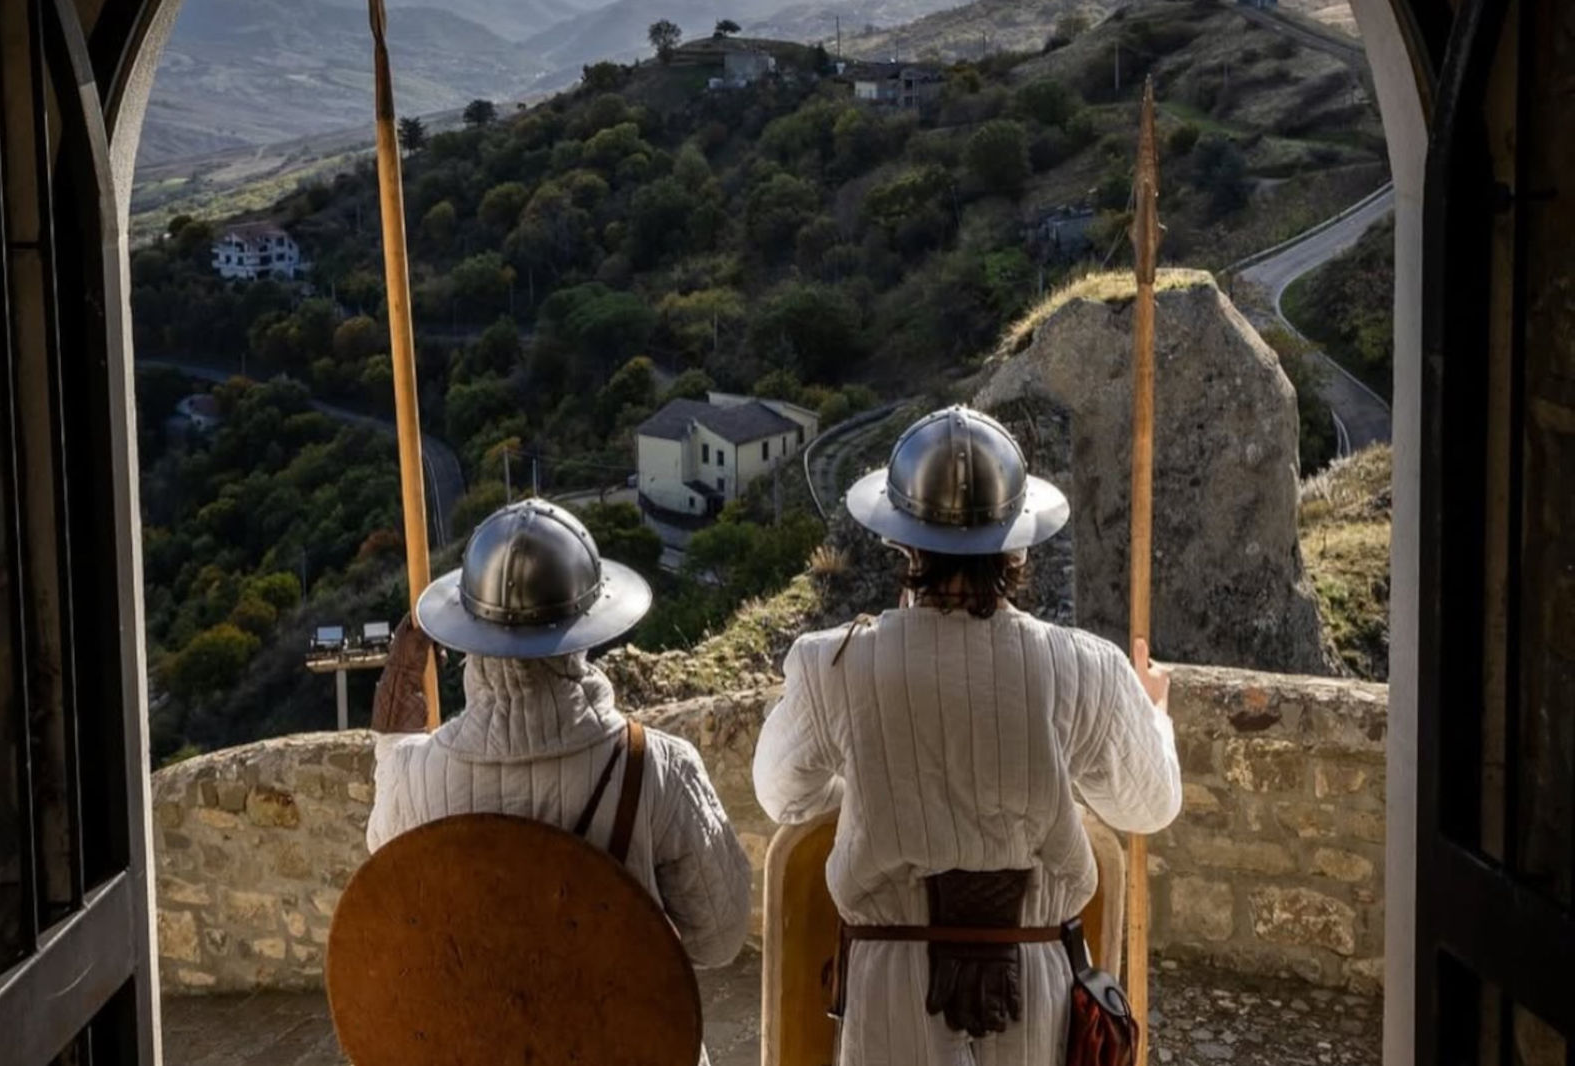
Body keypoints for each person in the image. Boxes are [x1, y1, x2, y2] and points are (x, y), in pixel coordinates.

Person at [753, 406, 1182, 1066]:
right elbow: (1148, 805)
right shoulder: (1084, 666)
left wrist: (866, 762)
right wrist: (1152, 713)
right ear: (1018, 546)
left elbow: (782, 795)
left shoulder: (833, 664)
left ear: (904, 545)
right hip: (1038, 980)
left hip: (891, 988)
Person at [366, 499, 752, 976]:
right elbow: (717, 939)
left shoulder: (414, 778)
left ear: (469, 631)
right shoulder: (659, 766)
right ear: (587, 626)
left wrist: (393, 728)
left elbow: (386, 876)